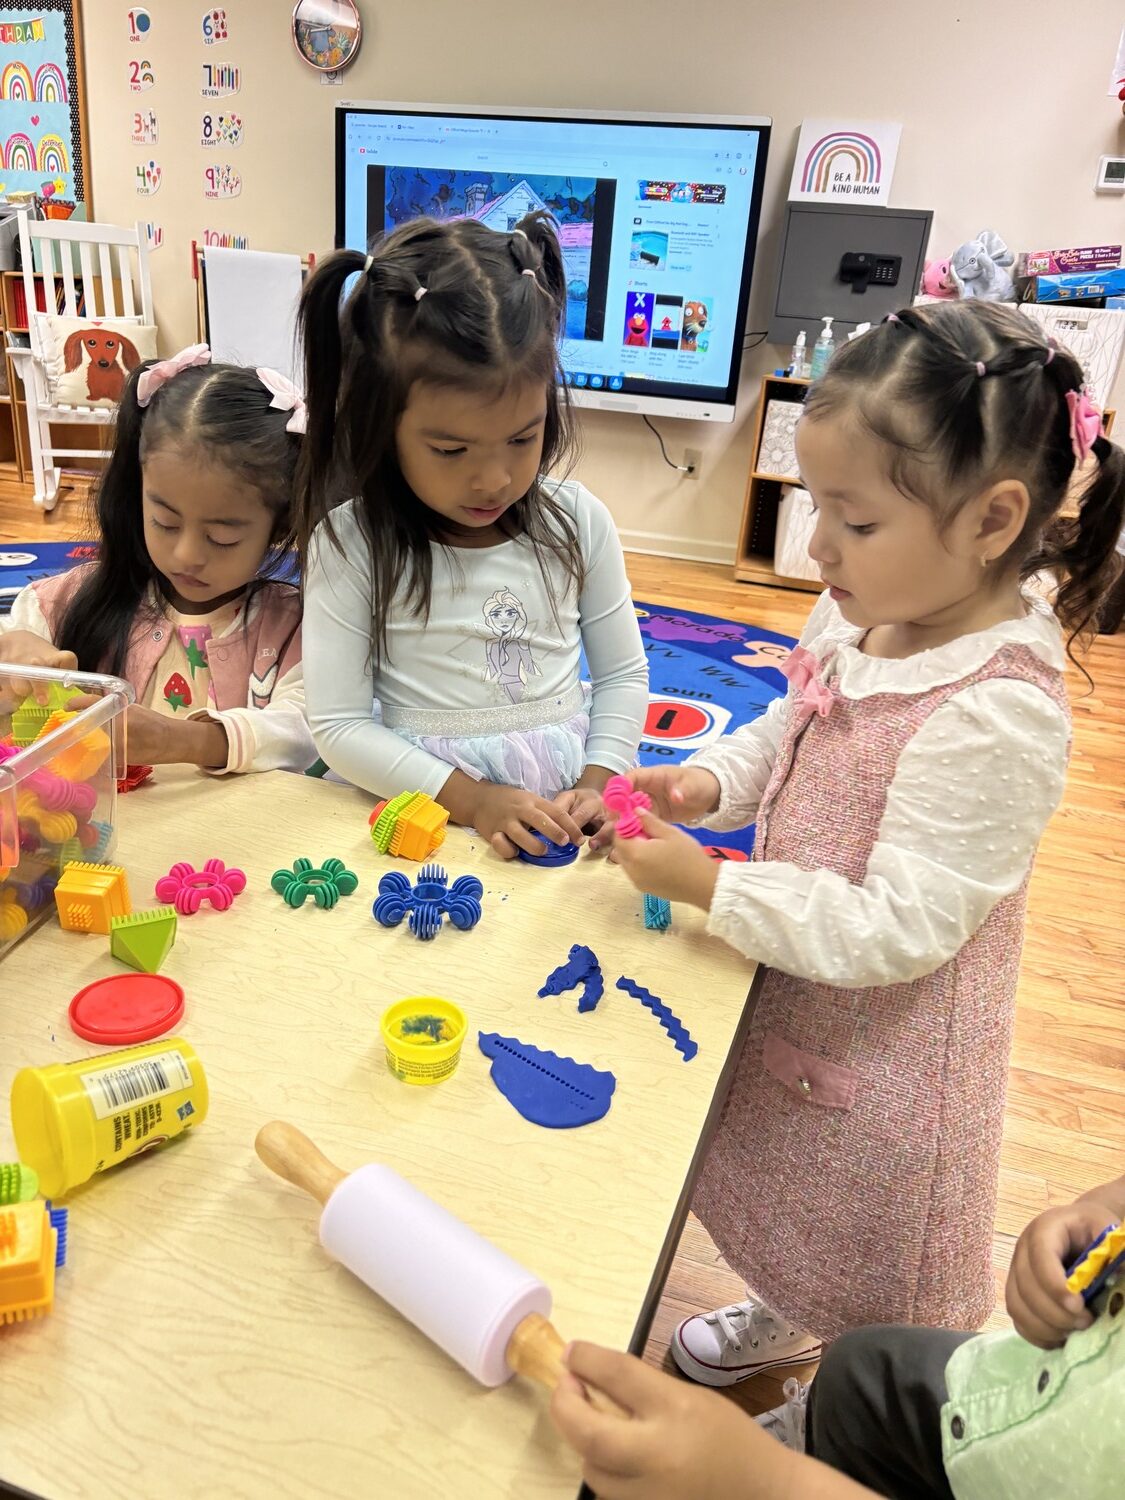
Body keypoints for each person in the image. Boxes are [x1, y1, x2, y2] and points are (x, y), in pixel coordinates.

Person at [607, 301, 1125, 1376]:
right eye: (811, 503)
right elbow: (780, 729)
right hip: (806, 981)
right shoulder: (851, 609)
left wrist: (708, 887)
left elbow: (900, 930)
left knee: (871, 1241)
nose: (815, 543)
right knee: (788, 1187)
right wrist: (700, 781)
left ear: (992, 522)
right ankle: (787, 1304)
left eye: (856, 519)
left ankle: (861, 1381)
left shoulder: (995, 711)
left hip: (890, 1050)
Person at [295, 212, 648, 858]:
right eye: (451, 449)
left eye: (522, 437)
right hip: (430, 814)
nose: (495, 478)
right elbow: (339, 726)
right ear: (380, 424)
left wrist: (600, 780)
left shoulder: (578, 521)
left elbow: (623, 673)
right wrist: (472, 800)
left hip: (568, 816)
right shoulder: (353, 544)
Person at [550, 1171, 1125, 1500]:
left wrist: (763, 1482)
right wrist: (1080, 1218)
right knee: (860, 1367)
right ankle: (814, 1447)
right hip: (1006, 1395)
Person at [0, 349, 314, 774]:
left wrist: (181, 740)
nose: (186, 555)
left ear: (279, 527)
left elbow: (306, 732)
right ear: (138, 493)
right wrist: (12, 656)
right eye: (165, 522)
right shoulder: (63, 602)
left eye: (222, 538)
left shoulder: (294, 629)